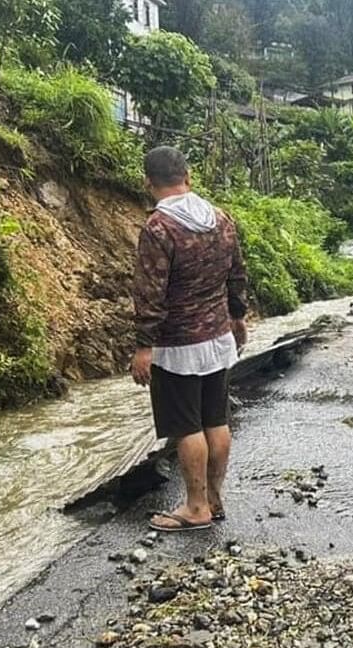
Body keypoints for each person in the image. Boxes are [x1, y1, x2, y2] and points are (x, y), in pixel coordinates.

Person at [131, 146, 249, 533]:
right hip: (217, 337)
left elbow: (150, 292)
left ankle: (196, 507)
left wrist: (144, 346)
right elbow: (237, 274)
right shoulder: (221, 219)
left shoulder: (159, 229)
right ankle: (214, 499)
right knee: (216, 419)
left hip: (177, 346)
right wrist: (237, 316)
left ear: (149, 183)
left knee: (187, 427)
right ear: (188, 177)